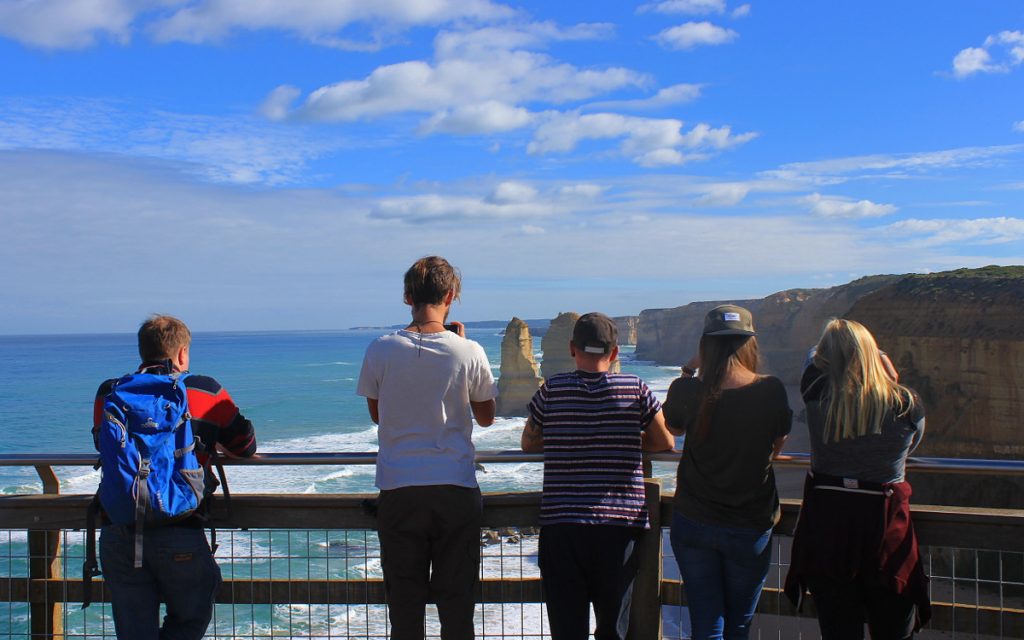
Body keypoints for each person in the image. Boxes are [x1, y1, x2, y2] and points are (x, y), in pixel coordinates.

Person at [356, 256, 497, 640]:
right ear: (451, 295)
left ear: (407, 297)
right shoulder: (469, 351)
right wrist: (461, 347)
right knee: (457, 608)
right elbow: (486, 416)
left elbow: (377, 414)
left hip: (399, 491)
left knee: (404, 610)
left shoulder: (380, 349)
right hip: (455, 489)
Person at [93, 314, 257, 640]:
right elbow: (245, 446)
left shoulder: (110, 392)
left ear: (143, 351)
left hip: (120, 530)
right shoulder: (206, 390)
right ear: (182, 353)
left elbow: (103, 443)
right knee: (190, 619)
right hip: (181, 529)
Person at [520, 312, 675, 640]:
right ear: (615, 352)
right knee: (612, 631)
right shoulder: (635, 388)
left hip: (562, 527)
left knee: (567, 630)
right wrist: (626, 438)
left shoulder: (553, 389)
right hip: (619, 528)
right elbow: (665, 442)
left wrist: (566, 435)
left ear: (572, 348)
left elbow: (528, 442)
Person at [784, 319, 930, 639]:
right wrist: (887, 372)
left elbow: (811, 359)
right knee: (893, 629)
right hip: (886, 533)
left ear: (825, 358)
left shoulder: (815, 393)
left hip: (829, 530)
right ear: (875, 356)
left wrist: (829, 349)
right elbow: (912, 445)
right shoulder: (907, 403)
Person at [662, 304, 791, 640]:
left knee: (706, 623)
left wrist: (689, 371)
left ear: (705, 346)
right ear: (750, 343)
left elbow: (673, 429)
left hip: (694, 519)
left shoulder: (688, 389)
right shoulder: (771, 389)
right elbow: (777, 444)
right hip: (749, 524)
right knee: (738, 624)